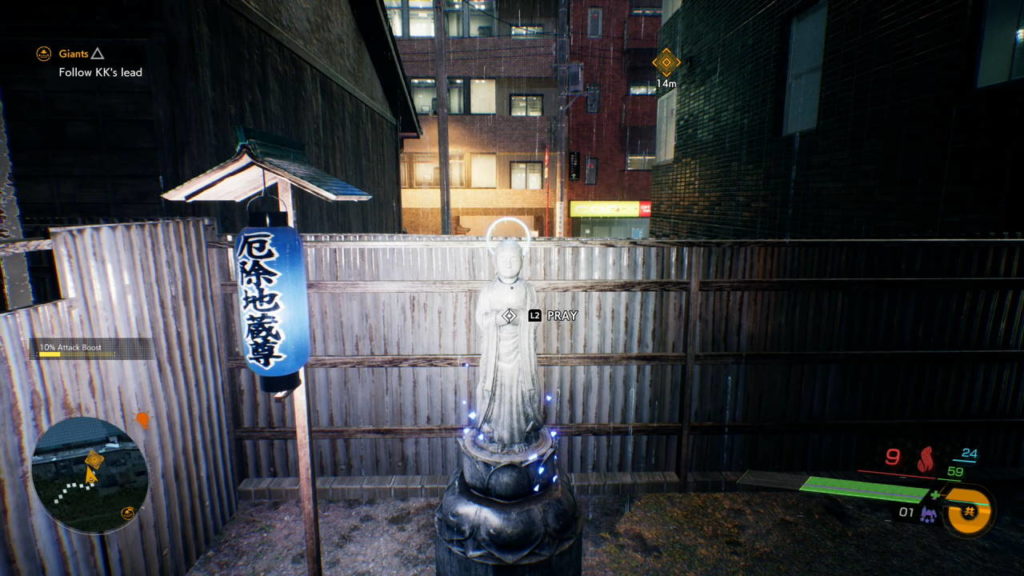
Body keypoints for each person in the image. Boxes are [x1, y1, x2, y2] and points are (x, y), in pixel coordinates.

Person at [474, 239, 543, 451]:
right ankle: (495, 435)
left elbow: (537, 316)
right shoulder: (488, 290)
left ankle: (520, 435)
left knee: (520, 392)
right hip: (496, 356)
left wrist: (519, 317)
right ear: (495, 261)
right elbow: (480, 319)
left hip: (521, 354)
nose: (509, 262)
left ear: (522, 260)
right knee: (495, 392)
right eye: (504, 258)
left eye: (514, 258)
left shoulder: (528, 290)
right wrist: (497, 318)